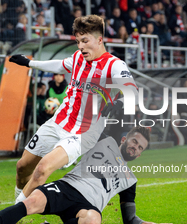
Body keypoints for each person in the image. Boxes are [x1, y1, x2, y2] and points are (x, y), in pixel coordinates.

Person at [9, 15, 138, 203]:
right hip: (58, 122)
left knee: (43, 169)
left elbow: (132, 89)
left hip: (83, 133)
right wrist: (29, 63)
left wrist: (119, 103)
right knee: (22, 167)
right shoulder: (78, 57)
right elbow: (60, 66)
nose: (80, 46)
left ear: (100, 39)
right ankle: (16, 206)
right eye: (78, 41)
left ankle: (10, 215)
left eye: (85, 41)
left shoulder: (115, 65)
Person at [0, 127, 178, 224]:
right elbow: (90, 123)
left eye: (140, 148)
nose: (135, 148)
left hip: (87, 207)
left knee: (93, 221)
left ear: (140, 154)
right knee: (32, 202)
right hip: (68, 187)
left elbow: (130, 219)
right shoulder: (105, 140)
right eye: (134, 142)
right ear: (124, 139)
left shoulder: (131, 180)